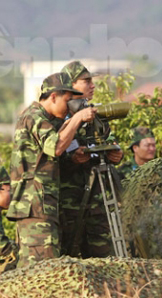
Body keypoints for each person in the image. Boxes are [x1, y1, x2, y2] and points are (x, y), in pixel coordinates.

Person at [7, 72, 97, 268]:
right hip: (34, 205)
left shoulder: (45, 119)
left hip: (42, 204)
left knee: (46, 265)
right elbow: (55, 147)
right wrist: (77, 119)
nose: (69, 107)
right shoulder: (34, 117)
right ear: (53, 96)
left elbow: (51, 156)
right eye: (67, 100)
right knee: (39, 268)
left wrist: (74, 157)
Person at [59, 61, 123, 258]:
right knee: (69, 257)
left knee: (102, 256)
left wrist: (116, 155)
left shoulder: (95, 115)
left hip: (98, 199)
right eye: (86, 81)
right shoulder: (56, 117)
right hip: (69, 201)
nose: (92, 86)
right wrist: (72, 159)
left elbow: (110, 142)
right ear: (70, 85)